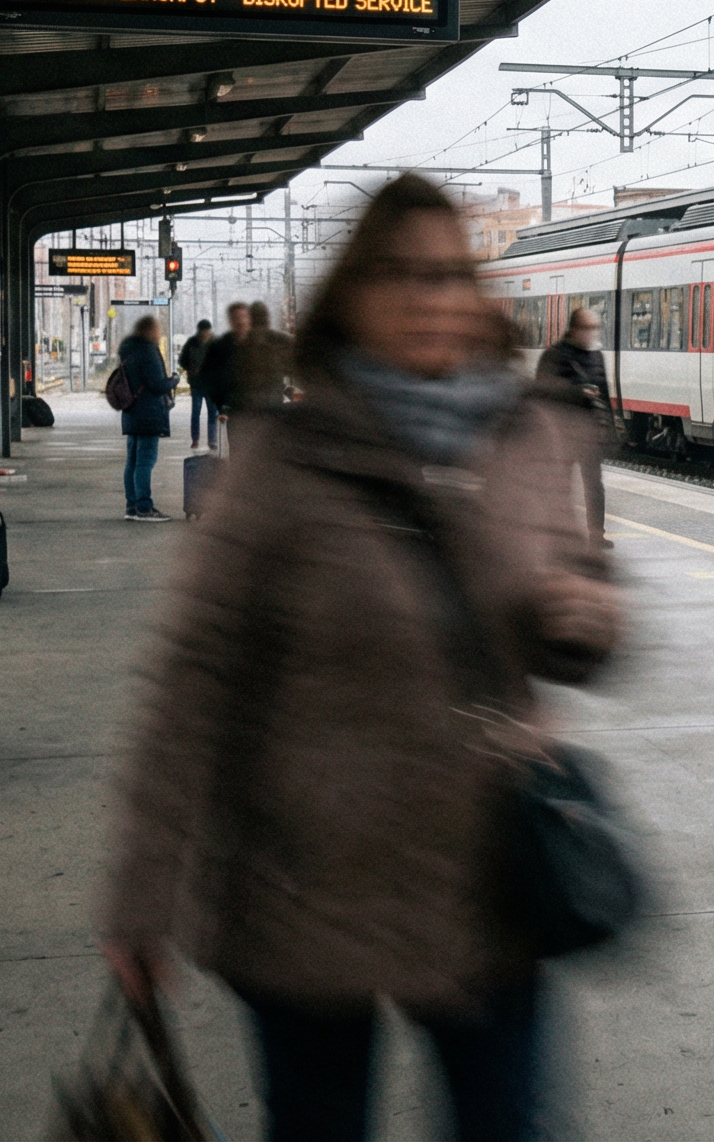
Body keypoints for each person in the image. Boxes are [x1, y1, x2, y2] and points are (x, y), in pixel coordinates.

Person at [100, 172, 621, 1142]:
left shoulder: (529, 438)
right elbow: (194, 678)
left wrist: (583, 613)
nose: (429, 299)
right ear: (351, 296)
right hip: (307, 894)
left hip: (487, 886)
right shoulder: (281, 463)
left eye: (448, 275)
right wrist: (143, 893)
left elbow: (585, 621)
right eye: (398, 275)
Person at [535, 305, 612, 548]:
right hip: (562, 432)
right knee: (562, 485)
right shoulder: (554, 355)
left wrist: (610, 427)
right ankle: (561, 533)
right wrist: (578, 392)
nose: (592, 334)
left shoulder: (597, 355)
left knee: (594, 487)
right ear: (574, 329)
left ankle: (597, 535)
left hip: (588, 433)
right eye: (588, 328)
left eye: (595, 329)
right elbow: (543, 391)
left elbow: (605, 393)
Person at [116, 315, 179, 521]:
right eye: (158, 330)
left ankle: (132, 506)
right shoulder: (148, 351)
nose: (160, 333)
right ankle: (144, 507)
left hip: (132, 412)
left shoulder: (128, 350)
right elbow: (157, 385)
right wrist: (173, 380)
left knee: (132, 461)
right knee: (145, 461)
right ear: (151, 331)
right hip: (149, 413)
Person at [199, 302, 248, 452]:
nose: (241, 321)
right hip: (235, 411)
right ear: (231, 320)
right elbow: (210, 377)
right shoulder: (221, 346)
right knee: (238, 452)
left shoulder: (259, 345)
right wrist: (223, 406)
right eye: (237, 317)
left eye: (244, 316)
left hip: (260, 410)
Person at [235, 301, 296, 413]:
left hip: (248, 406)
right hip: (274, 403)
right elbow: (293, 369)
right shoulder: (281, 340)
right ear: (267, 317)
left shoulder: (239, 343)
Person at [178, 319, 214, 450]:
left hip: (211, 385)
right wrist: (190, 368)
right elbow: (182, 360)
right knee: (195, 413)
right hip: (197, 384)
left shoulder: (215, 343)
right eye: (203, 332)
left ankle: (212, 440)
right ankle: (195, 439)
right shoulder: (191, 343)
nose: (205, 334)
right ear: (199, 331)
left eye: (207, 332)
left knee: (212, 414)